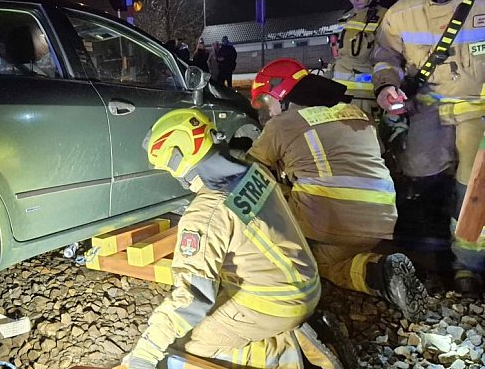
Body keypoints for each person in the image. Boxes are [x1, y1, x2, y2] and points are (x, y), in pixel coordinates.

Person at [122, 109, 340, 368]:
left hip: (277, 303)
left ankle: (290, 355)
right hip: (307, 283)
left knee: (190, 346)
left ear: (177, 160)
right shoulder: (253, 170)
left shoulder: (206, 212)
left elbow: (193, 298)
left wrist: (144, 355)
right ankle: (296, 329)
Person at [247, 58, 428, 322]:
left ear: (281, 92)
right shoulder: (356, 112)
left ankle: (263, 266)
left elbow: (250, 172)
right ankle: (383, 273)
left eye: (266, 102)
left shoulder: (282, 124)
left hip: (328, 223)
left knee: (262, 195)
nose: (267, 112)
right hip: (382, 219)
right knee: (335, 260)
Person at [373, 0, 485, 294]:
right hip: (428, 112)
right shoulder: (402, 14)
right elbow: (385, 57)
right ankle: (428, 256)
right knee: (420, 177)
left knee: (472, 188)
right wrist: (387, 88)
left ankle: (468, 267)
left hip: (477, 110)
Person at [331, 0, 388, 121]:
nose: (354, 0)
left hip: (368, 100)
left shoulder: (386, 16)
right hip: (341, 98)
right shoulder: (345, 19)